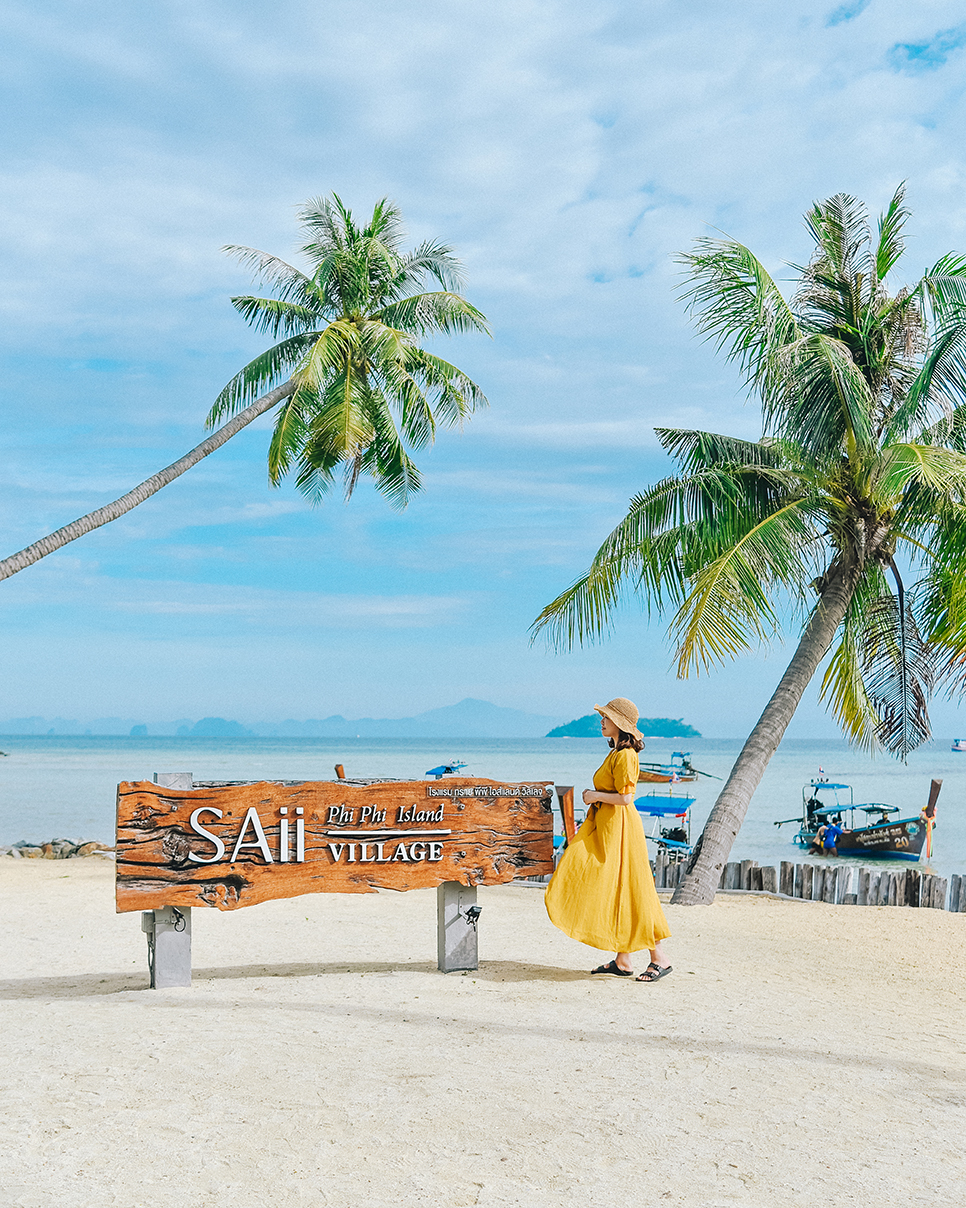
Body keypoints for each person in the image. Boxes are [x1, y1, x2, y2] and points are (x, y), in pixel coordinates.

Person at [544, 697, 672, 983]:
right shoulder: (616, 753)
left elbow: (627, 798)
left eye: (606, 717)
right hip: (609, 827)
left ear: (620, 724)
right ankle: (623, 959)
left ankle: (659, 958)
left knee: (635, 888)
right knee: (617, 887)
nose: (601, 721)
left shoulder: (626, 755)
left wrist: (594, 796)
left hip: (622, 830)